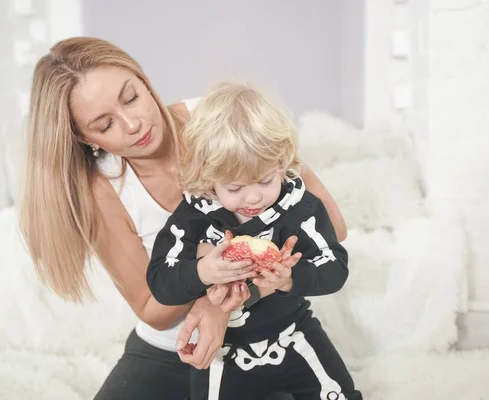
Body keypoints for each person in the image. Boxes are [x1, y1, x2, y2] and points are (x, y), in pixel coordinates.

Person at [19, 37, 348, 400]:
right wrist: (210, 280)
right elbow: (152, 310)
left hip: (267, 330)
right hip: (173, 346)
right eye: (105, 124)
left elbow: (331, 224)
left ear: (144, 81)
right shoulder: (103, 191)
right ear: (83, 138)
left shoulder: (220, 119)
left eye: (131, 97)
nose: (132, 124)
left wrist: (223, 302)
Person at [146, 83, 362, 400]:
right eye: (234, 188)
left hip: (294, 333)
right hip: (225, 349)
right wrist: (205, 270)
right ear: (208, 177)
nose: (253, 197)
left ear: (282, 164)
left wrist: (290, 278)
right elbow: (160, 280)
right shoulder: (192, 215)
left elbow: (335, 267)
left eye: (265, 180)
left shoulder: (302, 208)